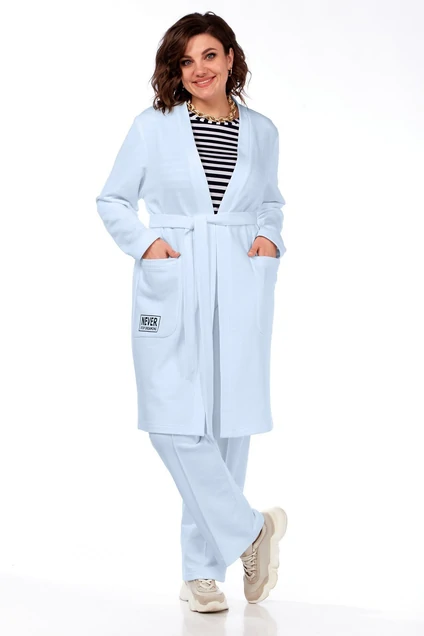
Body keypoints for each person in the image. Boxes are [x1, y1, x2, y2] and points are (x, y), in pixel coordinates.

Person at [95, 11, 288, 613]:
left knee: (227, 423)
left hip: (240, 275)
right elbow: (113, 198)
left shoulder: (262, 131)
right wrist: (147, 244)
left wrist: (269, 239)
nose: (199, 69)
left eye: (209, 55)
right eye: (186, 61)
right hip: (175, 273)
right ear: (175, 71)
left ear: (230, 58)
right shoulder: (152, 127)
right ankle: (252, 531)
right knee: (172, 420)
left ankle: (202, 574)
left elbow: (271, 203)